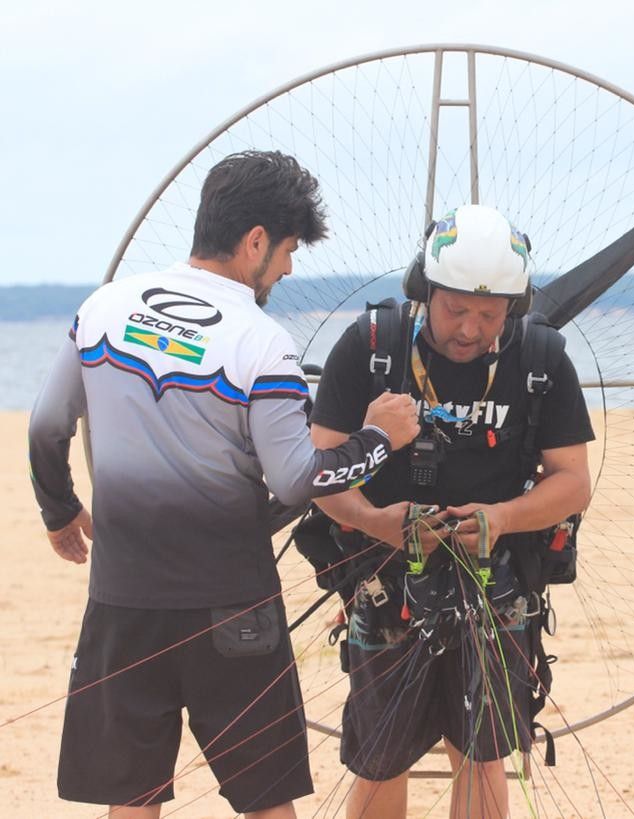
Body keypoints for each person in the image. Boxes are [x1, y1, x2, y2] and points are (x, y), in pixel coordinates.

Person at [27, 150, 419, 818]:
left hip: (124, 602)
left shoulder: (105, 308)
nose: (290, 267)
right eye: (290, 249)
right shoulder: (260, 343)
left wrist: (61, 510)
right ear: (255, 241)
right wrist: (379, 436)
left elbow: (44, 425)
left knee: (133, 794)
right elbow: (297, 478)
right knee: (267, 799)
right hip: (233, 609)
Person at [310, 204, 594, 819]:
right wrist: (377, 521)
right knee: (381, 755)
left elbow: (573, 482)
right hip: (385, 582)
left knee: (483, 753)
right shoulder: (372, 348)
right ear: (424, 289)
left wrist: (502, 518)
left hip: (497, 583)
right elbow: (321, 472)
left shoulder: (541, 360)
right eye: (455, 309)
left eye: (490, 315)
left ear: (514, 309)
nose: (470, 329)